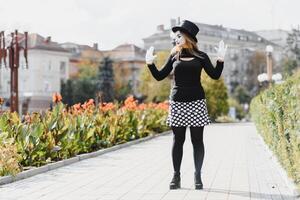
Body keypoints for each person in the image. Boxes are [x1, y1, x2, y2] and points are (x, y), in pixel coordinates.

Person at [145, 19, 227, 190]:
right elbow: (160, 76)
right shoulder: (174, 55)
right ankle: (176, 176)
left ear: (188, 37)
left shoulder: (201, 57)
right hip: (177, 103)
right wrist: (150, 64)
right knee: (178, 140)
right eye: (175, 36)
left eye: (179, 35)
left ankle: (198, 176)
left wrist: (220, 60)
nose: (176, 38)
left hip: (196, 102)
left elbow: (214, 75)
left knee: (197, 141)